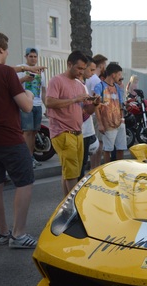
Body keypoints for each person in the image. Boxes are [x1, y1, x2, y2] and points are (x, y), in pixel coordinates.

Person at [0, 29, 37, 249]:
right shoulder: (6, 72)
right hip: (9, 136)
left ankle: (2, 233)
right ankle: (19, 234)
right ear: (1, 49)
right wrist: (29, 93)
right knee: (25, 181)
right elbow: (27, 106)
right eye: (7, 48)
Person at [46, 51, 98, 196]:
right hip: (63, 132)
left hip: (78, 132)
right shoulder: (56, 80)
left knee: (70, 172)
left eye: (83, 69)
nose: (82, 72)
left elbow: (87, 110)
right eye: (79, 68)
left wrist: (95, 104)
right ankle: (74, 208)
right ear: (69, 64)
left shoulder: (80, 85)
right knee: (73, 173)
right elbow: (49, 102)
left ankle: (67, 207)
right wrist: (75, 99)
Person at [17, 47, 46, 169]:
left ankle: (31, 156)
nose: (33, 59)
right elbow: (13, 85)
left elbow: (43, 90)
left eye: (35, 56)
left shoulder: (41, 71)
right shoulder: (21, 69)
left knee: (34, 132)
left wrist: (46, 106)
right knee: (27, 132)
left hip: (38, 105)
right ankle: (26, 158)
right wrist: (24, 78)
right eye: (31, 56)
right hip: (25, 105)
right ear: (26, 57)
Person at [94, 62, 127, 163]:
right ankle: (108, 171)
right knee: (107, 149)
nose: (120, 77)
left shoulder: (117, 87)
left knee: (121, 148)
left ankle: (119, 169)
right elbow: (96, 106)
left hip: (119, 123)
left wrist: (122, 119)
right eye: (119, 74)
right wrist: (100, 124)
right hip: (107, 124)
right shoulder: (100, 87)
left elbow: (120, 103)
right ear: (113, 74)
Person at [79, 56, 100, 180]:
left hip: (86, 131)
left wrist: (94, 103)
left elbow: (87, 108)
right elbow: (83, 110)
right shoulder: (78, 84)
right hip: (81, 132)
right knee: (77, 170)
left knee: (81, 167)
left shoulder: (83, 84)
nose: (92, 74)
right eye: (91, 70)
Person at [86, 54, 107, 169]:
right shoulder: (95, 80)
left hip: (93, 114)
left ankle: (94, 167)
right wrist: (100, 122)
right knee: (98, 145)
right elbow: (96, 100)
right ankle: (95, 168)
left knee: (96, 144)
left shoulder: (92, 79)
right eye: (105, 64)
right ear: (101, 65)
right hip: (95, 115)